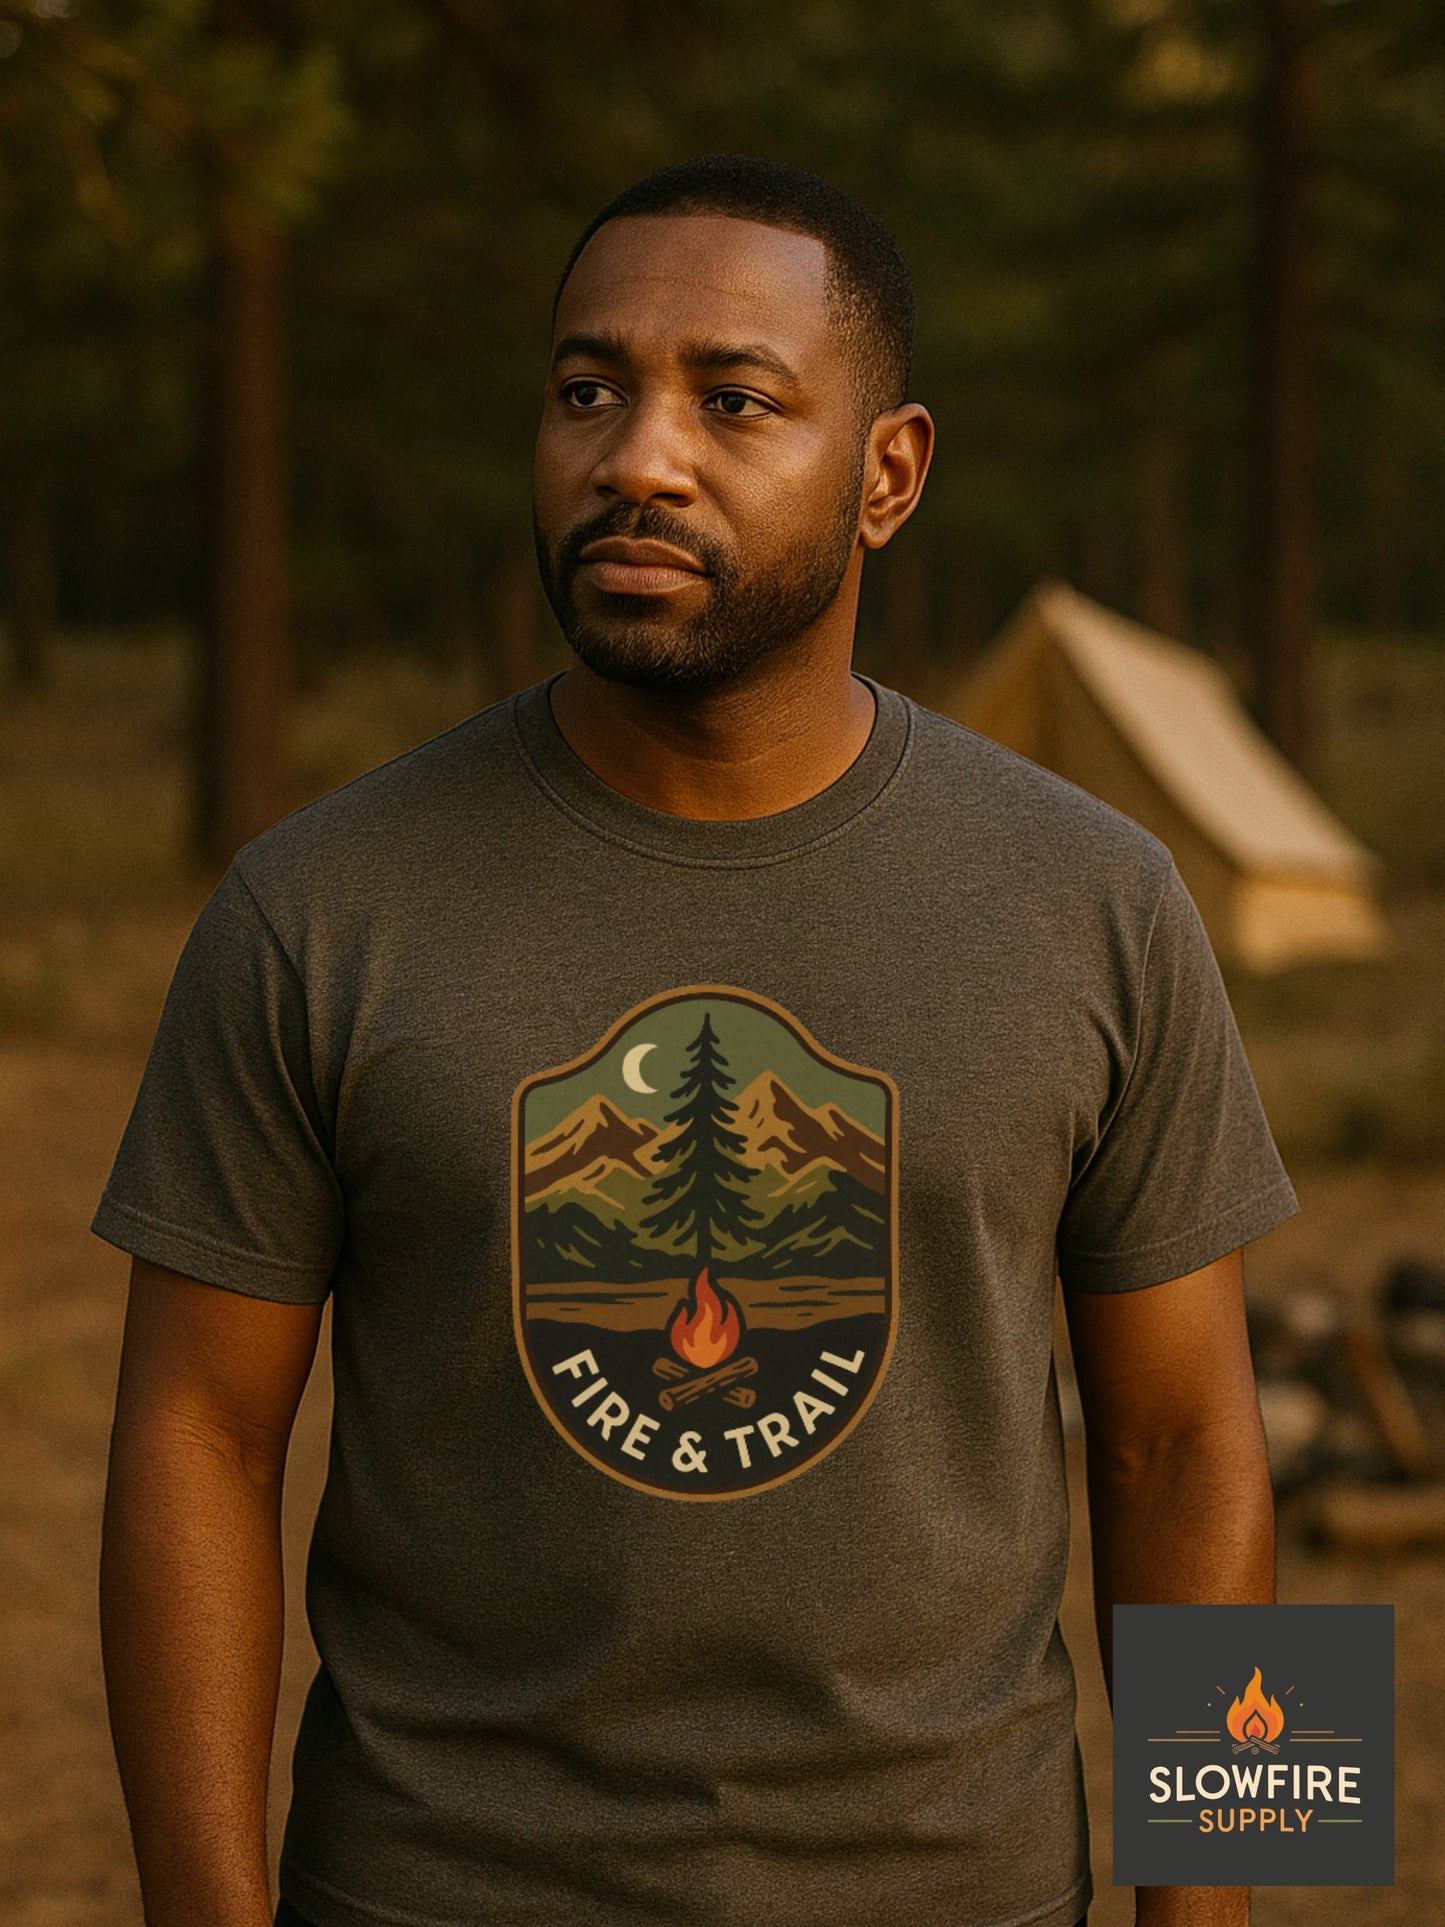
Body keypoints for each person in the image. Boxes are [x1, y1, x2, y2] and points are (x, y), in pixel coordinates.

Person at [96, 155, 1296, 1927]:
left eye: (733, 400)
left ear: (888, 474)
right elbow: (194, 1442)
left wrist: (1225, 1909)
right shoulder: (317, 906)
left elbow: (1190, 1448)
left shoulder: (1099, 899)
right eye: (587, 390)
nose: (635, 458)